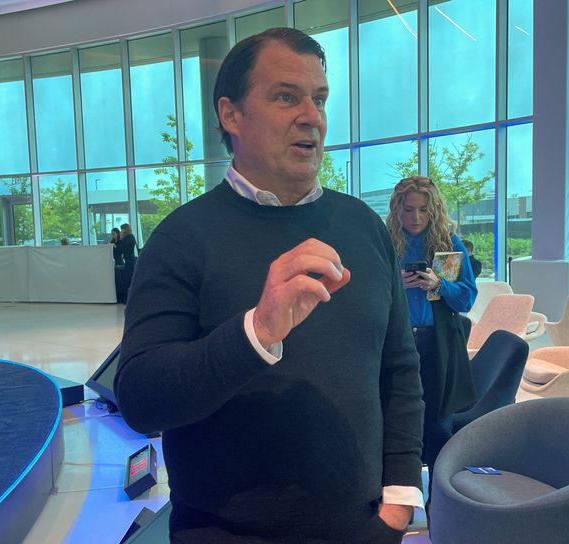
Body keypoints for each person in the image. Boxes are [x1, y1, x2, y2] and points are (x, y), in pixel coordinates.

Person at [114, 28, 424, 543]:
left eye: (319, 99)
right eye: (286, 96)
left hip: (362, 529)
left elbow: (400, 370)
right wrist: (256, 333)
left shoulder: (364, 227)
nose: (312, 116)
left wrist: (400, 497)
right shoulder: (181, 238)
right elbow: (141, 398)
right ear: (231, 115)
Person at [386, 176, 477, 502]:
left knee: (439, 425)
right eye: (408, 209)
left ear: (434, 209)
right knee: (397, 423)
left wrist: (438, 284)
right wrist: (398, 284)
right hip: (397, 344)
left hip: (438, 345)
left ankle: (439, 502)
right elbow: (367, 295)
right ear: (397, 210)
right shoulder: (386, 243)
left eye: (423, 210)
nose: (416, 217)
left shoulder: (448, 243)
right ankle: (399, 500)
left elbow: (466, 300)